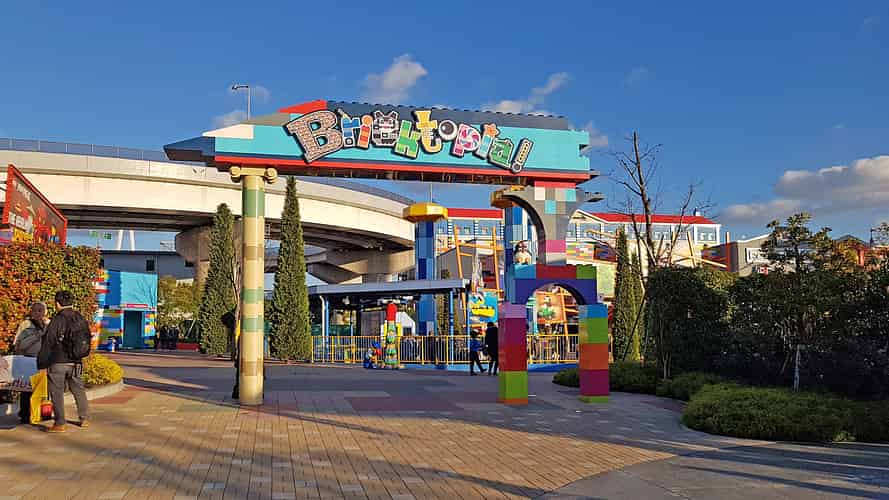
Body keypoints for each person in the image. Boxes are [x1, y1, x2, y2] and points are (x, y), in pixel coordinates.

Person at [37, 291, 90, 433]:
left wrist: (42, 363)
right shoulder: (80, 318)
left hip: (58, 361)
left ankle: (60, 423)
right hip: (76, 361)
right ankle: (84, 418)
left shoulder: (57, 320)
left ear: (57, 303)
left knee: (57, 392)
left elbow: (48, 342)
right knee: (78, 390)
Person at [12, 302, 47, 424]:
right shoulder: (25, 325)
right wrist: (36, 336)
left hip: (42, 361)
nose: (37, 313)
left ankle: (38, 413)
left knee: (41, 389)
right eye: (35, 310)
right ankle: (25, 415)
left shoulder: (47, 325)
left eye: (40, 310)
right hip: (28, 360)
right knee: (27, 389)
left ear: (45, 312)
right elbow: (18, 345)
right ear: (31, 311)